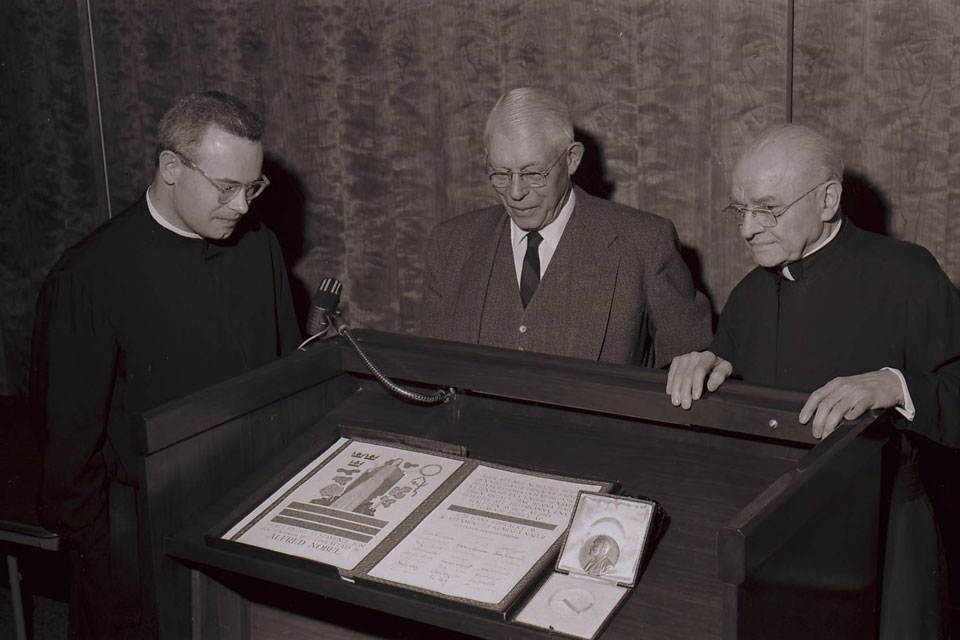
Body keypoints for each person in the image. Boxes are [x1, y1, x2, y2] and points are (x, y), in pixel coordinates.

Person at [665, 123, 960, 638]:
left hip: (887, 538)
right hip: (779, 541)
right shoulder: (749, 295)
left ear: (827, 201)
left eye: (768, 209)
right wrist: (705, 366)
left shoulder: (908, 274)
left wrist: (896, 385)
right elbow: (729, 372)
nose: (748, 229)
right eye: (741, 209)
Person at [30, 91, 302, 639]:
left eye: (253, 187)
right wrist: (106, 555)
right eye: (227, 188)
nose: (244, 206)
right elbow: (67, 449)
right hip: (139, 538)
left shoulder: (258, 247)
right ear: (171, 167)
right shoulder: (89, 276)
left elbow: (284, 383)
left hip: (245, 512)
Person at [420, 87, 711, 367]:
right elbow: (430, 373)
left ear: (571, 159)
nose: (516, 192)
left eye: (533, 174)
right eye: (500, 173)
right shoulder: (450, 244)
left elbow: (692, 362)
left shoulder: (644, 243)